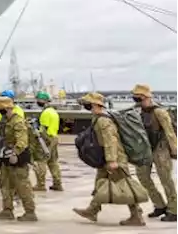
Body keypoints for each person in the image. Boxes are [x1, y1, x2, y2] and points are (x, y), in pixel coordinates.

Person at [74, 92, 147, 226]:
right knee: (100, 183)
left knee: (126, 187)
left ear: (95, 104)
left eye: (87, 103)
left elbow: (110, 141)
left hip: (116, 159)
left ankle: (136, 215)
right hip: (108, 158)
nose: (85, 105)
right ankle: (92, 210)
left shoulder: (104, 120)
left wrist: (112, 160)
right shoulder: (98, 118)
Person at [133, 83, 178, 221]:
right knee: (143, 177)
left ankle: (173, 209)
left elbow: (170, 132)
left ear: (145, 96)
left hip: (161, 148)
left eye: (138, 97)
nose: (136, 100)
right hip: (146, 149)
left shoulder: (159, 112)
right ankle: (159, 205)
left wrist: (175, 150)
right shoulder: (139, 112)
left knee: (166, 179)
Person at [0, 96, 37, 221]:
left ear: (7, 108)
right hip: (7, 156)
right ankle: (7, 210)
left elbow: (22, 141)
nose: (0, 112)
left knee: (22, 185)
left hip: (18, 157)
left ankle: (30, 212)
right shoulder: (5, 121)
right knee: (5, 184)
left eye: (1, 110)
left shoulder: (17, 121)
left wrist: (15, 153)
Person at [33, 91, 64, 191]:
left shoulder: (45, 113)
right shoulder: (54, 111)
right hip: (54, 138)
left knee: (41, 161)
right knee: (53, 162)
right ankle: (57, 183)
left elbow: (43, 129)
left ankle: (40, 185)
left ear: (43, 100)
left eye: (38, 100)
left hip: (46, 139)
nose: (37, 101)